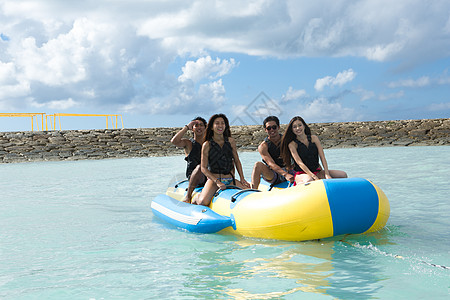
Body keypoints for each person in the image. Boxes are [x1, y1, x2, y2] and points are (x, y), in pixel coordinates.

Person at [192, 113, 250, 206]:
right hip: (214, 181)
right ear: (211, 127)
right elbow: (203, 168)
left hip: (230, 179)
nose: (220, 126)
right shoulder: (207, 144)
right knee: (203, 202)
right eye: (217, 123)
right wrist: (217, 182)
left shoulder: (231, 141)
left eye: (222, 123)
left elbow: (236, 161)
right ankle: (197, 196)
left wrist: (242, 178)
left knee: (250, 193)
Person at [280, 116, 347, 185]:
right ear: (292, 130)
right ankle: (299, 183)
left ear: (304, 126)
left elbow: (322, 157)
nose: (298, 128)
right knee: (309, 180)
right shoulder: (292, 144)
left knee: (343, 175)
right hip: (302, 174)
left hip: (317, 172)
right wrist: (313, 176)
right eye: (294, 127)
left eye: (300, 125)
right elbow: (300, 163)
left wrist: (327, 174)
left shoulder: (314, 138)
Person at [170, 116, 207, 203]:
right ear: (192, 129)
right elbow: (174, 141)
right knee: (199, 167)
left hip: (209, 175)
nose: (199, 127)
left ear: (205, 128)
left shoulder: (208, 143)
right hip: (195, 176)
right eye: (196, 125)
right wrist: (186, 127)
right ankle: (188, 196)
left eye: (201, 125)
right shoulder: (188, 143)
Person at [251, 116, 294, 189]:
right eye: (269, 128)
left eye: (274, 127)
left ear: (278, 127)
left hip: (290, 170)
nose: (272, 130)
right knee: (257, 165)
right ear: (265, 130)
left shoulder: (287, 141)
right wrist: (285, 174)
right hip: (274, 174)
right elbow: (271, 164)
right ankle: (253, 191)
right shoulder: (263, 146)